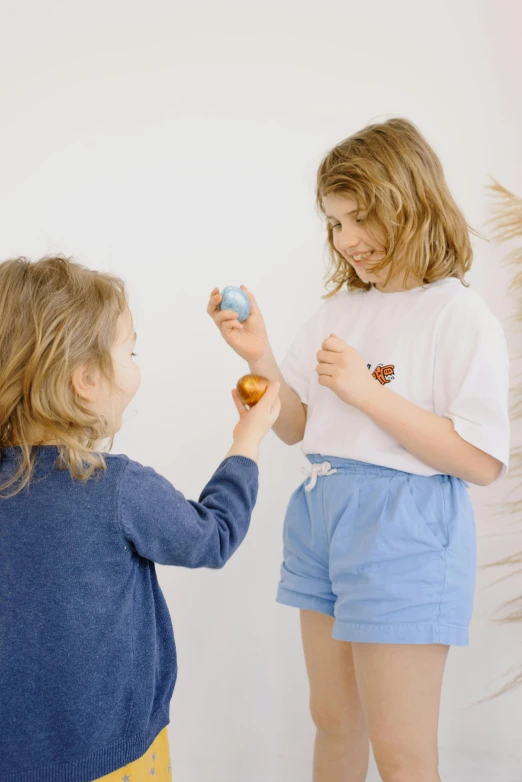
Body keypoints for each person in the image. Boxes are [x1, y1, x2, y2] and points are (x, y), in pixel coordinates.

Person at [207, 118, 510, 782]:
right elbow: (299, 428)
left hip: (404, 527)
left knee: (402, 754)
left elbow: (482, 462)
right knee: (335, 723)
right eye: (335, 224)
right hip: (322, 513)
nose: (346, 242)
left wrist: (368, 393)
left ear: (409, 204)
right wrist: (257, 353)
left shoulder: (456, 315)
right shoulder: (341, 309)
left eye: (358, 219)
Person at [0, 255, 280, 782]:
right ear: (85, 379)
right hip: (117, 761)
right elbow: (212, 538)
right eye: (130, 351)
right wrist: (246, 442)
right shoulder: (114, 487)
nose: (136, 364)